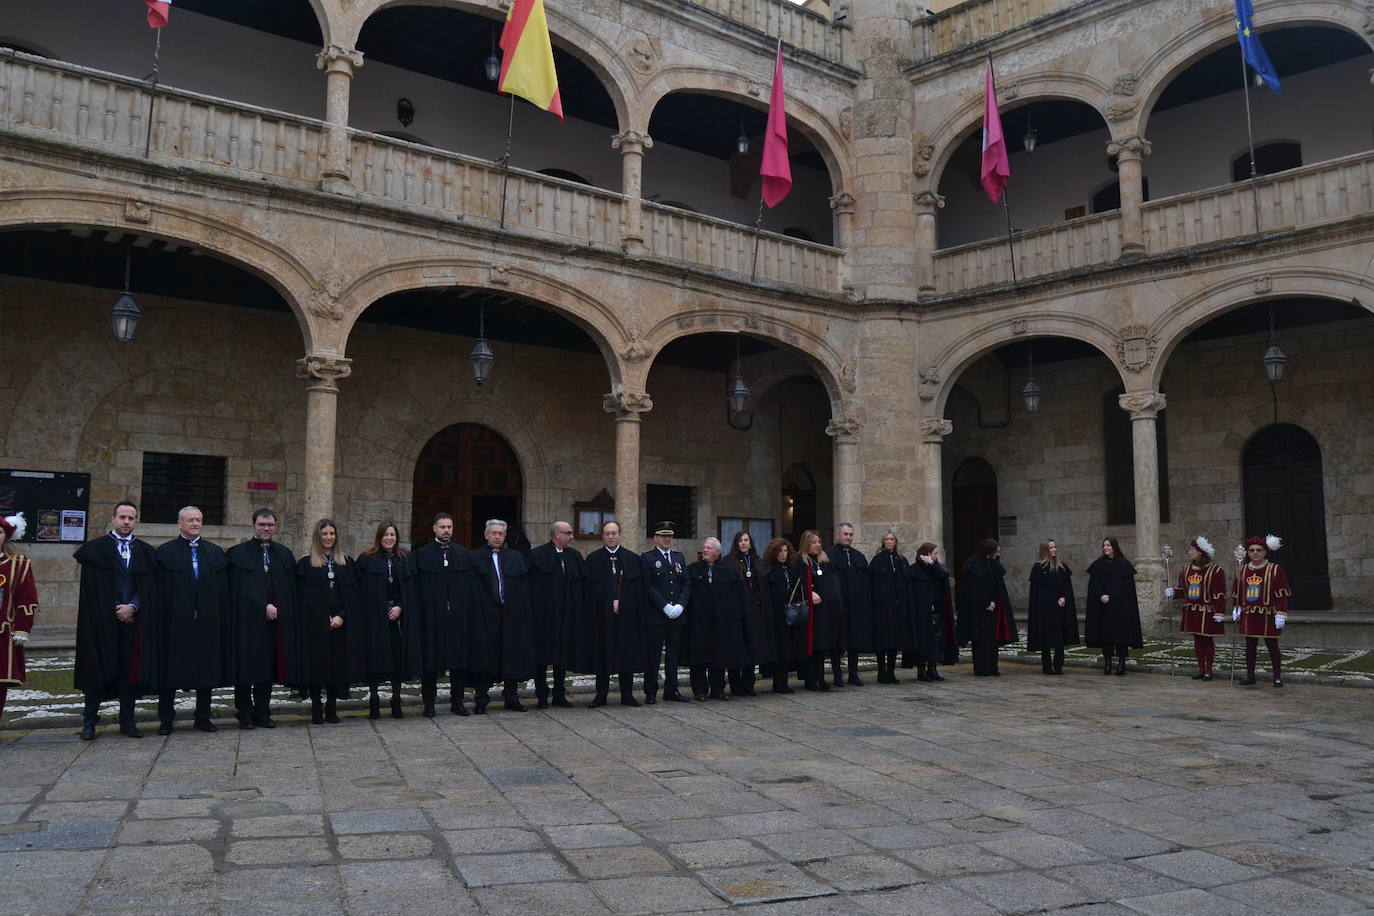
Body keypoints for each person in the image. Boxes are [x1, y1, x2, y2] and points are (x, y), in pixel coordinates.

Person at [74, 503, 157, 740]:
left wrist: (133, 606)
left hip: (133, 621)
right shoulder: (95, 550)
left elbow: (149, 587)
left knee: (129, 670)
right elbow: (92, 589)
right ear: (113, 518)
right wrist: (112, 608)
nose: (126, 521)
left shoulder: (145, 551)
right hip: (101, 623)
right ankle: (90, 720)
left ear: (136, 521)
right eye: (122, 517)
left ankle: (127, 720)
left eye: (131, 518)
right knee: (96, 668)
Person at [155, 506, 229, 734]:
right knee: (171, 669)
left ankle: (203, 716)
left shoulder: (214, 552)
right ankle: (166, 719)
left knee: (205, 669)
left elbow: (221, 589)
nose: (195, 524)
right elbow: (161, 589)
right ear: (180, 524)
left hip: (206, 623)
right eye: (190, 520)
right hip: (176, 622)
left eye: (198, 520)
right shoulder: (165, 552)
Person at [225, 508, 296, 729]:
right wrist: (261, 607)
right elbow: (238, 590)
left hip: (275, 622)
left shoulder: (284, 553)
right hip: (247, 622)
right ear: (253, 525)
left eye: (270, 525)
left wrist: (278, 608)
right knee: (246, 666)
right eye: (262, 524)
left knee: (268, 667)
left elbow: (290, 589)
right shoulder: (237, 553)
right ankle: (244, 712)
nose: (266, 529)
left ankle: (263, 712)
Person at [296, 519, 364, 724]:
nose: (328, 538)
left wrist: (341, 616)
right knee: (317, 666)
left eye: (332, 534)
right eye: (324, 534)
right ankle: (317, 706)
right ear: (318, 536)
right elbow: (305, 598)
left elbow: (353, 596)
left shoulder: (347, 562)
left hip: (341, 626)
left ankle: (332, 706)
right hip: (316, 626)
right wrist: (323, 617)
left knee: (337, 667)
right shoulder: (306, 563)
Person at [411, 513, 476, 717]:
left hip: (458, 617)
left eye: (449, 526)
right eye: (442, 527)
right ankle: (429, 702)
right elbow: (418, 588)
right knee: (431, 660)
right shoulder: (422, 554)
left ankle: (457, 701)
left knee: (458, 660)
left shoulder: (464, 554)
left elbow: (470, 588)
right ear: (434, 529)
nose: (446, 530)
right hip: (432, 617)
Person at [471, 519, 537, 712]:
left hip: (511, 616)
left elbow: (523, 589)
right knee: (486, 657)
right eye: (494, 533)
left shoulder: (515, 558)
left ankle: (511, 697)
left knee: (511, 656)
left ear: (505, 536)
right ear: (486, 535)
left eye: (501, 533)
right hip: (485, 616)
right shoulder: (474, 558)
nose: (498, 536)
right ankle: (481, 699)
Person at [584, 520, 650, 705]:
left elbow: (638, 591)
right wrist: (608, 601)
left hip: (626, 616)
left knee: (626, 653)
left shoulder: (632, 559)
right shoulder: (593, 559)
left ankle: (627, 694)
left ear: (620, 534)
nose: (611, 536)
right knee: (602, 653)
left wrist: (623, 602)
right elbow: (590, 590)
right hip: (601, 617)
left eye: (614, 533)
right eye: (607, 533)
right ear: (602, 536)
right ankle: (601, 694)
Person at [357, 521, 417, 718]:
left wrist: (400, 606)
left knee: (397, 659)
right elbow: (360, 590)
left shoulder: (405, 558)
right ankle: (374, 699)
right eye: (386, 535)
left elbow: (410, 590)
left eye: (392, 535)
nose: (389, 538)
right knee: (375, 658)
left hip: (398, 618)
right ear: (379, 537)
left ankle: (396, 699)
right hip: (375, 618)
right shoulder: (367, 559)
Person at [684, 537, 752, 700]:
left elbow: (736, 599)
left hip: (721, 622)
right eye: (704, 547)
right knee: (699, 658)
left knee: (719, 656)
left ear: (718, 552)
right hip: (699, 622)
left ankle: (718, 689)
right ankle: (700, 690)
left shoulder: (729, 571)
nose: (705, 550)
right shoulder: (692, 569)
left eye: (709, 548)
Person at [526, 521, 581, 709]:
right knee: (542, 657)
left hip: (567, 616)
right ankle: (541, 694)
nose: (572, 536)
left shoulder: (574, 556)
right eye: (569, 533)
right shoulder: (537, 555)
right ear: (556, 534)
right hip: (544, 617)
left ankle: (559, 693)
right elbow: (531, 588)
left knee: (562, 656)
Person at [1232, 534, 1290, 687]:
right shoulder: (1242, 570)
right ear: (1247, 553)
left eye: (1259, 550)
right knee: (1250, 646)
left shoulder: (1275, 569)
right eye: (1251, 550)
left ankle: (1277, 676)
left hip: (1268, 614)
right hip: (1249, 614)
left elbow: (1281, 593)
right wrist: (1236, 607)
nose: (1255, 553)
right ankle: (1250, 675)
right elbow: (1237, 591)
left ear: (1265, 552)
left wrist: (1281, 613)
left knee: (1272, 646)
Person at [1166, 536, 1226, 681]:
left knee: (1207, 640)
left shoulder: (1216, 571)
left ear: (1200, 552)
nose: (1189, 552)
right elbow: (1183, 590)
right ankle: (1201, 669)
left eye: (1192, 550)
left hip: (1207, 611)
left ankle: (1209, 670)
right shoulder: (1186, 570)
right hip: (1192, 611)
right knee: (1197, 641)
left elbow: (1220, 594)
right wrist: (1173, 592)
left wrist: (1219, 612)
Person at [643, 521, 691, 704]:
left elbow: (686, 583)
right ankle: (651, 691)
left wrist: (680, 605)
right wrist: (664, 606)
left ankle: (672, 690)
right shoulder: (647, 558)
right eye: (663, 536)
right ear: (655, 538)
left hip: (677, 616)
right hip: (657, 615)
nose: (667, 539)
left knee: (673, 656)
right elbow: (648, 586)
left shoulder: (679, 558)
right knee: (653, 656)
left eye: (669, 536)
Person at [956, 538, 1017, 676]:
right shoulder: (974, 565)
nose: (998, 554)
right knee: (980, 640)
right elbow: (973, 591)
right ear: (989, 551)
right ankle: (981, 668)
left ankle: (992, 667)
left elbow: (999, 588)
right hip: (978, 610)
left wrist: (994, 602)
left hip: (993, 609)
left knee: (992, 640)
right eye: (996, 551)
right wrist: (985, 603)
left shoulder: (994, 564)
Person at [1085, 536, 1142, 675]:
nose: (1106, 548)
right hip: (1103, 608)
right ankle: (1108, 663)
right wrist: (1101, 595)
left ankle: (1122, 663)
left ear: (1114, 547)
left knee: (1121, 636)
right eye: (1104, 545)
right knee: (1106, 636)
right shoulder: (1098, 565)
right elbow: (1094, 585)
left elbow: (1128, 589)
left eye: (1108, 545)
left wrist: (1115, 596)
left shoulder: (1124, 565)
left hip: (1120, 608)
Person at [724, 530, 771, 696]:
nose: (744, 543)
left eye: (746, 540)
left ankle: (749, 685)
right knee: (738, 649)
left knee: (753, 649)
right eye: (740, 540)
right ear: (736, 543)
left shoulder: (758, 562)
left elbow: (763, 586)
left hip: (755, 612)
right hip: (738, 612)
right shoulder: (729, 562)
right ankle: (736, 686)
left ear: (751, 543)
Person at [0, 514, 36, 726]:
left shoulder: (19, 564)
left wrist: (22, 629)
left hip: (3, 633)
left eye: (0, 532)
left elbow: (27, 598)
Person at [759, 538, 807, 693]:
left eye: (786, 551)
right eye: (780, 551)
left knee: (788, 648)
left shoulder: (790, 568)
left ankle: (784, 681)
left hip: (790, 613)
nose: (783, 554)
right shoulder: (768, 569)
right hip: (775, 614)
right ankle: (778, 683)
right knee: (778, 648)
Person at [797, 530, 843, 691]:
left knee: (822, 645)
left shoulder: (824, 561)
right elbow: (799, 583)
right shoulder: (800, 561)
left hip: (824, 611)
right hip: (810, 611)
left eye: (819, 542)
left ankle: (821, 678)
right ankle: (810, 679)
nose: (818, 545)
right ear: (806, 544)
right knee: (811, 645)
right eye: (814, 542)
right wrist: (810, 592)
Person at [1026, 539, 1078, 676]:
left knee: (1059, 639)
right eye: (1051, 548)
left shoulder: (1062, 567)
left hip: (1060, 609)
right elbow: (1037, 593)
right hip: (1045, 610)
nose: (1054, 549)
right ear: (1045, 550)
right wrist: (1051, 600)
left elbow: (1067, 588)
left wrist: (1063, 597)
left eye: (1055, 547)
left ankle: (1058, 665)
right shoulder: (1038, 568)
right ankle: (1047, 666)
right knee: (1046, 639)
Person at [825, 523, 866, 687]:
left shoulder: (859, 556)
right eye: (845, 534)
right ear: (838, 535)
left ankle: (854, 674)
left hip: (855, 606)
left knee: (854, 640)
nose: (848, 537)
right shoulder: (828, 555)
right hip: (837, 606)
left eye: (850, 534)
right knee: (837, 640)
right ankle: (837, 675)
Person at [906, 543, 954, 682]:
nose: (936, 556)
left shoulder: (935, 569)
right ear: (926, 554)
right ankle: (921, 671)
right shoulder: (914, 570)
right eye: (934, 553)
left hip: (936, 610)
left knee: (936, 641)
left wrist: (932, 564)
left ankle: (932, 669)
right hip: (921, 612)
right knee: (923, 641)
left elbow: (944, 575)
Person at [868, 532, 912, 684]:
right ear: (882, 542)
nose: (889, 541)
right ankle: (881, 672)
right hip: (882, 608)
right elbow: (872, 585)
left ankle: (891, 672)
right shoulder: (877, 560)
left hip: (897, 608)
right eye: (886, 539)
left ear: (896, 542)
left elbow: (906, 584)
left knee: (894, 641)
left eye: (892, 539)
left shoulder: (901, 560)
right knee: (882, 641)